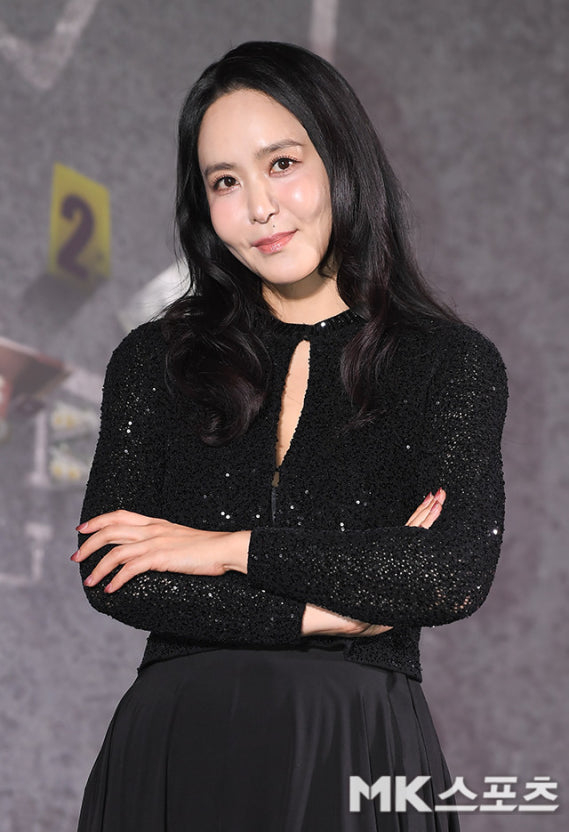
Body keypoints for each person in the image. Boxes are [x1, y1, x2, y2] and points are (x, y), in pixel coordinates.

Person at [73, 40, 508, 831]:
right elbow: (116, 574)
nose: (259, 208)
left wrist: (224, 549)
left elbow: (446, 573)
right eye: (225, 182)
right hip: (176, 748)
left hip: (357, 745)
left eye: (281, 164)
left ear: (341, 160)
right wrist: (322, 615)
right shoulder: (153, 360)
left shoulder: (447, 363)